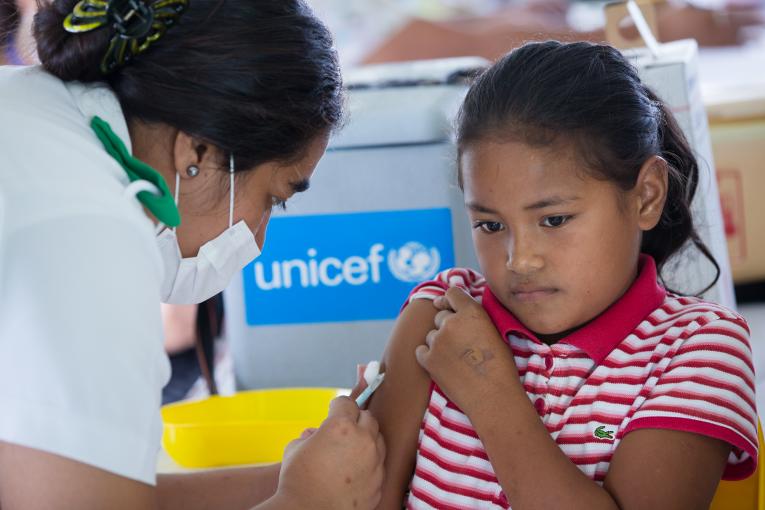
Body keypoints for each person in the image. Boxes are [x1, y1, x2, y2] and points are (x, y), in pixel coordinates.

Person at [0, 0, 385, 509]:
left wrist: (297, 479)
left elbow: (77, 487)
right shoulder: (90, 233)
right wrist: (307, 500)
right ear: (197, 154)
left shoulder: (32, 114)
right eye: (273, 198)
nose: (260, 239)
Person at [367, 41, 757, 509]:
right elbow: (365, 499)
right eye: (491, 225)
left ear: (647, 196)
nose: (519, 260)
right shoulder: (440, 316)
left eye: (554, 220)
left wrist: (490, 394)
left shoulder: (699, 348)